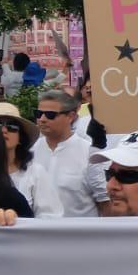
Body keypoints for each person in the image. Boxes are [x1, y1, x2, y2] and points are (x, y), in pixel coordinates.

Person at [30, 89, 110, 217]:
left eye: (50, 115)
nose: (42, 119)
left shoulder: (90, 153)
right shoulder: (31, 152)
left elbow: (105, 203)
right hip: (40, 234)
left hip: (80, 235)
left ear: (71, 116)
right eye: (38, 113)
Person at [0, 102, 40, 212]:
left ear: (21, 137)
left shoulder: (36, 172)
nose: (4, 130)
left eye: (12, 126)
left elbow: (48, 218)